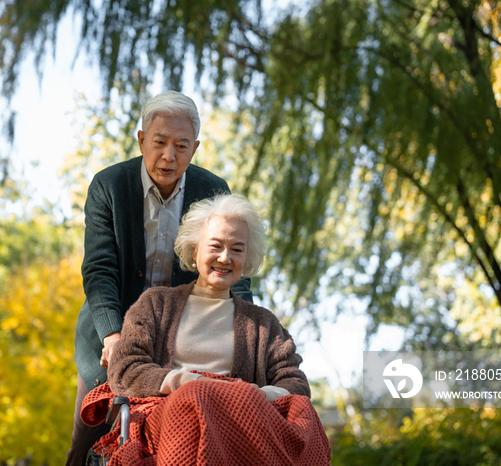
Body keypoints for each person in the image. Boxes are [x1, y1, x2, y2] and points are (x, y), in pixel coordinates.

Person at [67, 92, 252, 465]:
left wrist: (246, 336)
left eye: (181, 146)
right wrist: (113, 335)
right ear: (141, 140)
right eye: (160, 143)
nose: (169, 156)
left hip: (180, 334)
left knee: (175, 437)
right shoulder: (109, 186)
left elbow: (233, 270)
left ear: (195, 148)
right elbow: (99, 269)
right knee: (92, 429)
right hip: (111, 327)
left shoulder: (213, 191)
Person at [90, 194, 331, 465]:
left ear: (247, 257)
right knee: (196, 397)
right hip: (171, 416)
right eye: (215, 246)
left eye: (237, 249)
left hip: (242, 421)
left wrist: (250, 396)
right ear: (195, 251)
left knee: (303, 410)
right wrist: (191, 384)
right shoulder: (155, 305)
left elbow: (296, 384)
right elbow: (125, 369)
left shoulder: (264, 324)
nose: (225, 257)